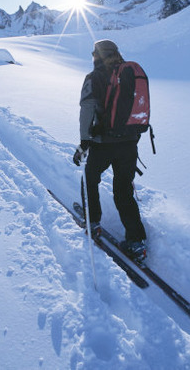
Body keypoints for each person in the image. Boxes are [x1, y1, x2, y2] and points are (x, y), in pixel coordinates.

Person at [73, 39, 147, 261]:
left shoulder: (93, 77)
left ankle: (92, 221)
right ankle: (136, 241)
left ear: (97, 55)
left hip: (102, 143)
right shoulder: (130, 73)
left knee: (90, 179)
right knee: (123, 191)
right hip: (129, 143)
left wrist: (83, 143)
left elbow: (87, 110)